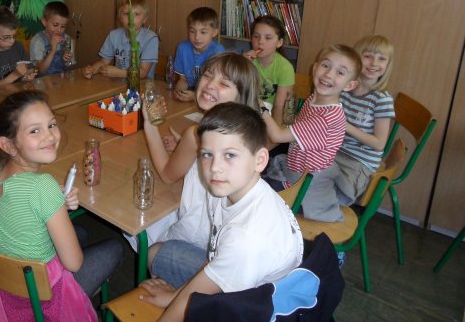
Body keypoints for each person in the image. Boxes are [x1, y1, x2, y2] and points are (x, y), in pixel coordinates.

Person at [138, 103, 303, 321]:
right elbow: (216, 258)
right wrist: (172, 298)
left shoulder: (247, 238)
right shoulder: (235, 188)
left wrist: (173, 303)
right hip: (247, 280)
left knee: (155, 255)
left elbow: (197, 291)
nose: (215, 167)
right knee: (155, 251)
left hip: (254, 306)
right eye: (207, 154)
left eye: (230, 155)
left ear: (260, 160)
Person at [0, 90, 123, 320]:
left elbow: (21, 214)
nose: (50, 136)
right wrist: (52, 200)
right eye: (34, 131)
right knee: (115, 247)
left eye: (51, 125)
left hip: (0, 291)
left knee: (81, 232)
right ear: (8, 145)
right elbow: (74, 264)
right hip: (37, 301)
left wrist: (56, 206)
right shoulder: (43, 186)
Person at [142, 52, 260, 288]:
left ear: (240, 96)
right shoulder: (246, 130)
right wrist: (187, 149)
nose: (210, 85)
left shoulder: (197, 134)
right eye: (208, 75)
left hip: (206, 240)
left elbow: (166, 174)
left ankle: (182, 292)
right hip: (231, 239)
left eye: (224, 83)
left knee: (145, 236)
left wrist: (149, 123)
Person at [263, 44, 361, 222]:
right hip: (297, 169)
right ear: (314, 68)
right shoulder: (314, 100)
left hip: (305, 187)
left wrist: (261, 109)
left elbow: (277, 136)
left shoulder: (326, 118)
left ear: (350, 85)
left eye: (340, 72)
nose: (329, 74)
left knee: (254, 193)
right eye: (325, 65)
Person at [310, 35, 395, 221]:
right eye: (368, 56)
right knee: (303, 177)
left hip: (357, 163)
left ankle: (328, 226)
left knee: (317, 192)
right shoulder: (345, 88)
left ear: (388, 65)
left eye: (382, 59)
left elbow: (379, 144)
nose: (374, 63)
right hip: (334, 151)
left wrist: (343, 124)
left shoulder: (382, 99)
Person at [82, 0, 159, 79]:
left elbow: (143, 73)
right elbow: (103, 62)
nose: (130, 18)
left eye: (136, 14)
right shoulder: (113, 35)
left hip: (142, 85)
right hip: (118, 84)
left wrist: (117, 73)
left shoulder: (151, 39)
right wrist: (91, 70)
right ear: (120, 18)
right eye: (126, 13)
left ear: (144, 19)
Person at [244, 15, 295, 127]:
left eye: (268, 38)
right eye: (256, 36)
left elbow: (279, 107)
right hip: (246, 114)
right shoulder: (247, 61)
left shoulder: (285, 68)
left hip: (270, 118)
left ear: (279, 42)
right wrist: (240, 65)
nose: (260, 42)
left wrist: (275, 133)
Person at [172, 7, 224, 103]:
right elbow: (183, 80)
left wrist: (196, 96)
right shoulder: (182, 48)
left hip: (210, 95)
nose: (196, 37)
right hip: (191, 93)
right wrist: (179, 92)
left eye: (203, 32)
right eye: (192, 31)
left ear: (214, 32)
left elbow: (216, 87)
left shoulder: (218, 52)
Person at [29, 1, 76, 75]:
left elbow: (71, 67)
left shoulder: (67, 39)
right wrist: (53, 50)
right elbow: (41, 70)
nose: (59, 30)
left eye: (63, 26)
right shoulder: (37, 41)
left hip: (61, 78)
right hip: (42, 79)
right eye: (55, 25)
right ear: (44, 22)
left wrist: (67, 61)